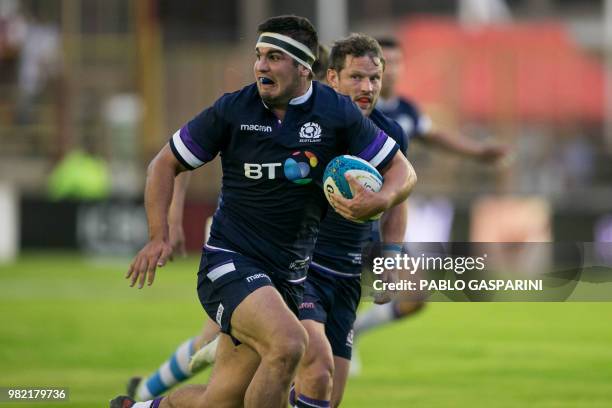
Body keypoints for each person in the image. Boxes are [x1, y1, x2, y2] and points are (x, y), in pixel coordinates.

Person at [110, 15, 416, 408]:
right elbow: (166, 163)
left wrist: (379, 202)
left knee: (222, 400)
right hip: (231, 260)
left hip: (290, 274)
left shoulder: (337, 115)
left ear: (304, 67)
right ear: (333, 74)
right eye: (259, 56)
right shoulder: (234, 110)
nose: (261, 66)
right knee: (290, 344)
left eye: (274, 57)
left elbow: (403, 174)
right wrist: (159, 234)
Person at [124, 42, 333, 406]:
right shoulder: (245, 111)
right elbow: (178, 160)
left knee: (223, 399)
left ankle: (145, 402)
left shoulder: (337, 125)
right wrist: (169, 223)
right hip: (240, 251)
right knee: (294, 351)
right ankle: (155, 383)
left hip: (290, 263)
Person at [350, 36, 510, 364]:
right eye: (384, 62)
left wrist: (480, 153)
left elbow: (435, 136)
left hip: (383, 221)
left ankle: (351, 332)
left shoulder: (405, 111)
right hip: (340, 219)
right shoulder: (353, 107)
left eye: (395, 63)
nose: (390, 70)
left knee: (413, 294)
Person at [292, 33, 409, 408]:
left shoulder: (389, 134)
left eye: (374, 78)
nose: (367, 87)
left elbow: (399, 198)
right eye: (356, 77)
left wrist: (390, 255)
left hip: (346, 278)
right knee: (316, 368)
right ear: (332, 78)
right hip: (301, 271)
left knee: (327, 397)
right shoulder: (304, 123)